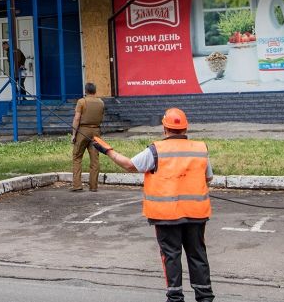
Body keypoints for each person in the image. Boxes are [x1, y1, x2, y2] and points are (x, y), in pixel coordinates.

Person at [94, 108, 214, 302]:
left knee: (171, 255)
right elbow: (208, 178)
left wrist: (107, 150)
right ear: (186, 128)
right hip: (196, 212)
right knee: (197, 254)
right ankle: (205, 296)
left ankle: (175, 297)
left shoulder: (156, 150)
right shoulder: (200, 148)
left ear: (164, 128)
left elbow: (129, 165)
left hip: (166, 215)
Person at [70, 82, 105, 192]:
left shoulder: (81, 101)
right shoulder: (101, 102)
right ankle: (93, 186)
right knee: (95, 159)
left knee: (77, 157)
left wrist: (74, 134)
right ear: (95, 91)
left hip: (82, 131)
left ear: (86, 91)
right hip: (96, 131)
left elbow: (76, 118)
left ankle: (77, 185)